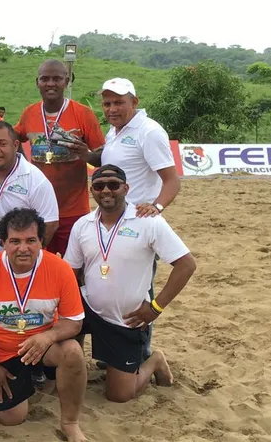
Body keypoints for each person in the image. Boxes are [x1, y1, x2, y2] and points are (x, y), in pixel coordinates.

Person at [63, 165, 195, 402]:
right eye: (99, 186)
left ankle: (154, 360)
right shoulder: (82, 224)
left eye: (113, 185)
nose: (106, 191)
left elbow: (186, 265)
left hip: (125, 318)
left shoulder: (148, 221)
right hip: (88, 308)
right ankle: (76, 364)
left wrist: (155, 307)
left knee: (120, 395)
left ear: (126, 188)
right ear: (91, 190)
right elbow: (70, 271)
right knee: (64, 330)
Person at [0, 208, 87, 442]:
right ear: (2, 243)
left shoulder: (60, 270)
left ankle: (70, 423)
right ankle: (32, 382)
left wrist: (47, 337)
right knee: (12, 418)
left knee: (72, 352)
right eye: (14, 241)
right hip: (2, 351)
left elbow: (74, 322)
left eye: (31, 240)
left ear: (41, 241)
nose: (23, 248)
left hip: (43, 345)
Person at [15, 59, 106, 257]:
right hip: (37, 210)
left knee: (74, 270)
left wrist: (87, 155)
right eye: (44, 79)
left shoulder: (83, 114)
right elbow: (13, 138)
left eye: (57, 78)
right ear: (36, 82)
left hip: (73, 211)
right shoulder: (29, 113)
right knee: (39, 266)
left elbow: (103, 157)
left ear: (67, 80)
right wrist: (22, 163)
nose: (50, 84)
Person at [91, 78, 180, 218]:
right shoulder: (113, 130)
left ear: (134, 102)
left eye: (119, 103)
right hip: (113, 216)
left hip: (138, 217)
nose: (112, 109)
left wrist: (156, 207)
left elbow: (172, 180)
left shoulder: (149, 131)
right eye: (107, 104)